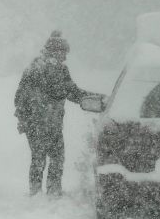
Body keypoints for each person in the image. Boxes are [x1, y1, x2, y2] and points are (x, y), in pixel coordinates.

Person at [14, 31, 98, 196]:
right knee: (50, 158)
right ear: (54, 51)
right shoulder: (40, 70)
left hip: (47, 124)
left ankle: (40, 192)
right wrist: (27, 118)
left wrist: (92, 99)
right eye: (63, 53)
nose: (65, 58)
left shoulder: (46, 69)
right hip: (40, 124)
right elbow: (72, 92)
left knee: (47, 158)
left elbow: (72, 92)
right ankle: (49, 193)